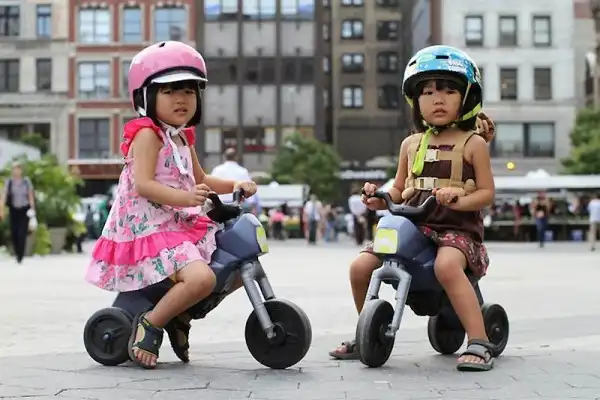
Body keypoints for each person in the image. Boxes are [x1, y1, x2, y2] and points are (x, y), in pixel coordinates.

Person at [85, 41, 257, 369]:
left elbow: (200, 177)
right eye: (169, 91)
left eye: (189, 91)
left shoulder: (182, 136)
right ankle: (150, 324)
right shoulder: (147, 135)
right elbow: (144, 184)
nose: (181, 99)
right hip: (150, 226)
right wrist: (186, 198)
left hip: (178, 222)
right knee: (202, 279)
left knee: (233, 267)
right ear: (145, 95)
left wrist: (234, 185)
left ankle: (181, 316)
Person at [328, 45, 498, 372]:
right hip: (413, 226)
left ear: (467, 98)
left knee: (447, 266)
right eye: (428, 92)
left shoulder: (472, 144)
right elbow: (398, 187)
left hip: (455, 230)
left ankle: (479, 340)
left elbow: (487, 193)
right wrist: (379, 197)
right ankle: (366, 333)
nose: (438, 99)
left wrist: (459, 198)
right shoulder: (411, 143)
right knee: (360, 267)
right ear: (415, 100)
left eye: (449, 91)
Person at [0, 162, 35, 264]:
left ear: (21, 171)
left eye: (18, 169)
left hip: (24, 210)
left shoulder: (26, 182)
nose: (16, 171)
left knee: (21, 233)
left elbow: (30, 195)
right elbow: (4, 195)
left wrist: (32, 209)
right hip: (13, 209)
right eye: (15, 169)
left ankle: (20, 255)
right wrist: (1, 209)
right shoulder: (9, 182)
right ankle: (17, 252)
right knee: (14, 232)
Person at [211, 148, 260, 214]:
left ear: (225, 157)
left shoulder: (217, 170)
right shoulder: (243, 171)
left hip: (219, 204)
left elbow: (211, 187)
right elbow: (249, 188)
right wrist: (252, 205)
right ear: (236, 157)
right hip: (237, 205)